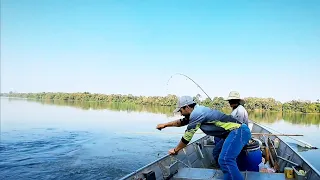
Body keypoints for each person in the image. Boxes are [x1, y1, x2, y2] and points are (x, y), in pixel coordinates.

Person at [156, 96, 251, 180]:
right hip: (232, 133)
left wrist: (176, 150)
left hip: (238, 131)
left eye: (180, 110)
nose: (180, 113)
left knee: (225, 159)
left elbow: (187, 137)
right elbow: (182, 122)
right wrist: (165, 125)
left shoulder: (197, 113)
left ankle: (231, 173)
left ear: (187, 107)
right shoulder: (196, 112)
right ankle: (228, 173)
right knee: (217, 153)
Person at [212, 91, 249, 166]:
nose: (229, 102)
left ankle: (220, 166)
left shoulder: (240, 110)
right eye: (229, 100)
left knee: (216, 151)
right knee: (216, 137)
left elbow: (236, 127)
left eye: (231, 100)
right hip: (233, 134)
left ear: (236, 101)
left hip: (237, 136)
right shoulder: (236, 109)